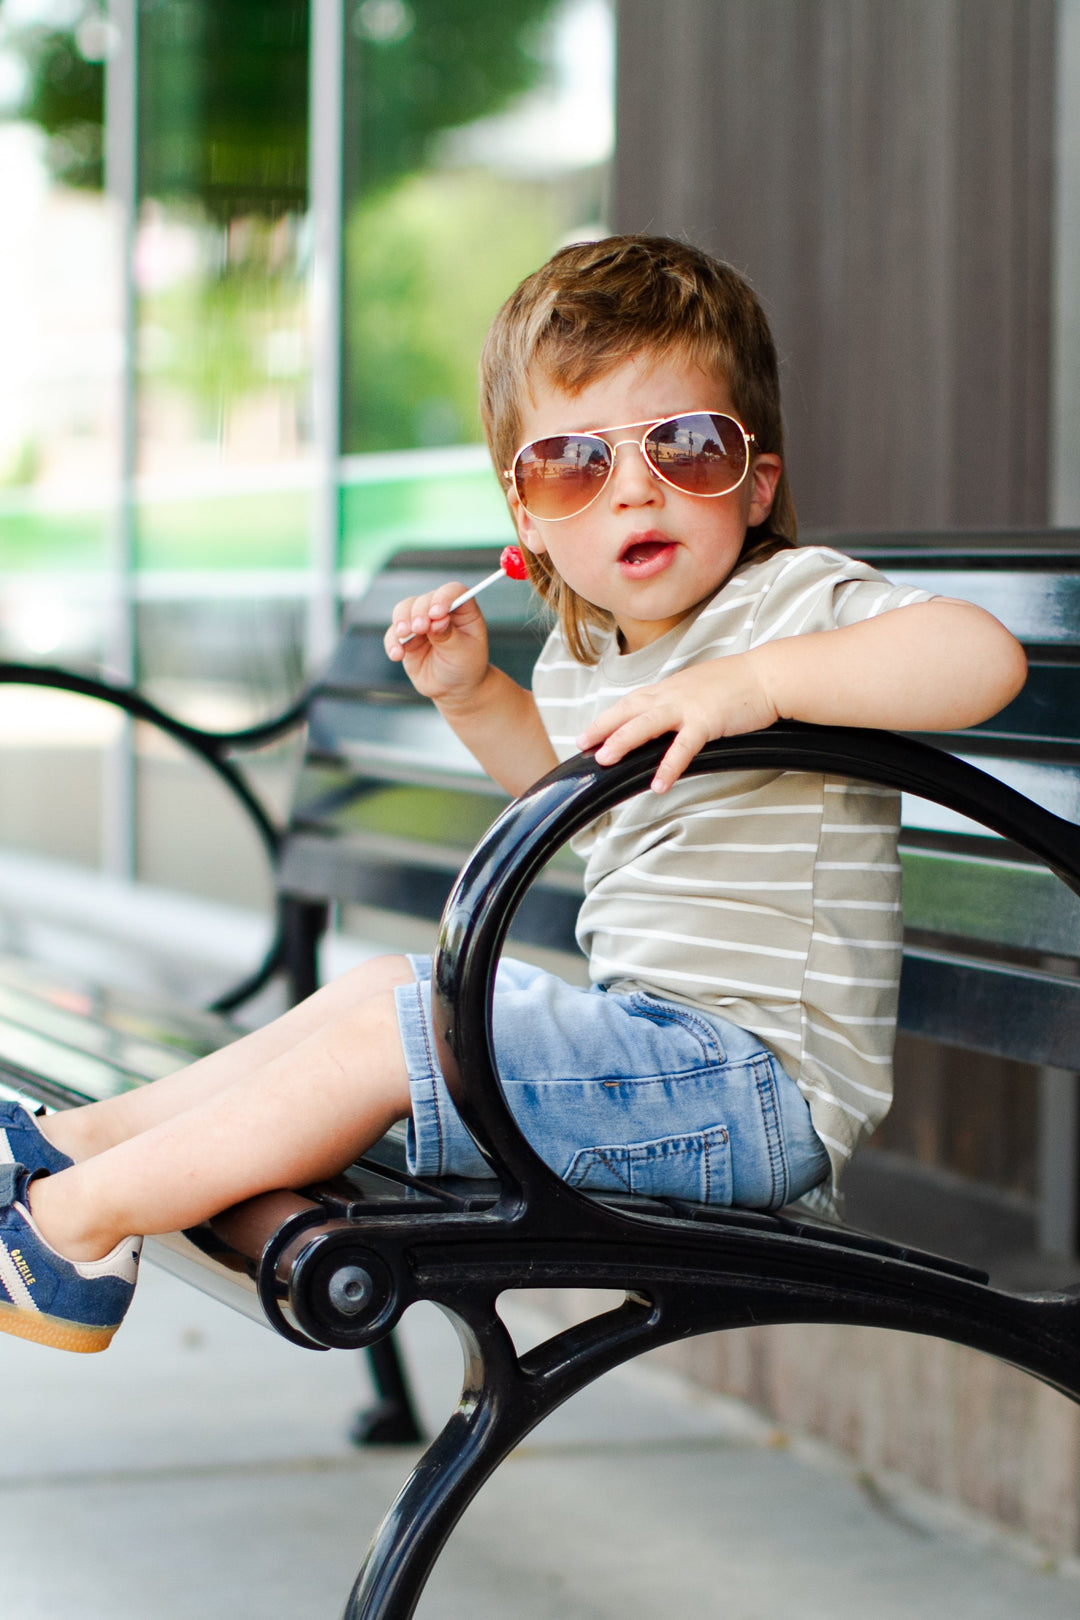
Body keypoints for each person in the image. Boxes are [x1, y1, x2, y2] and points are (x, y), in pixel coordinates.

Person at [0, 235, 1026, 1353]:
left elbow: (981, 658)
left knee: (392, 1041)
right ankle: (81, 1146)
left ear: (755, 480)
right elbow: (578, 810)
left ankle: (68, 1235)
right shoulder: (597, 660)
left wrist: (756, 684)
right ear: (529, 523)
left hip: (751, 1095)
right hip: (655, 1054)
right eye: (577, 464)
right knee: (391, 988)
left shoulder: (790, 605)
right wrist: (473, 691)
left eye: (683, 446)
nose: (637, 486)